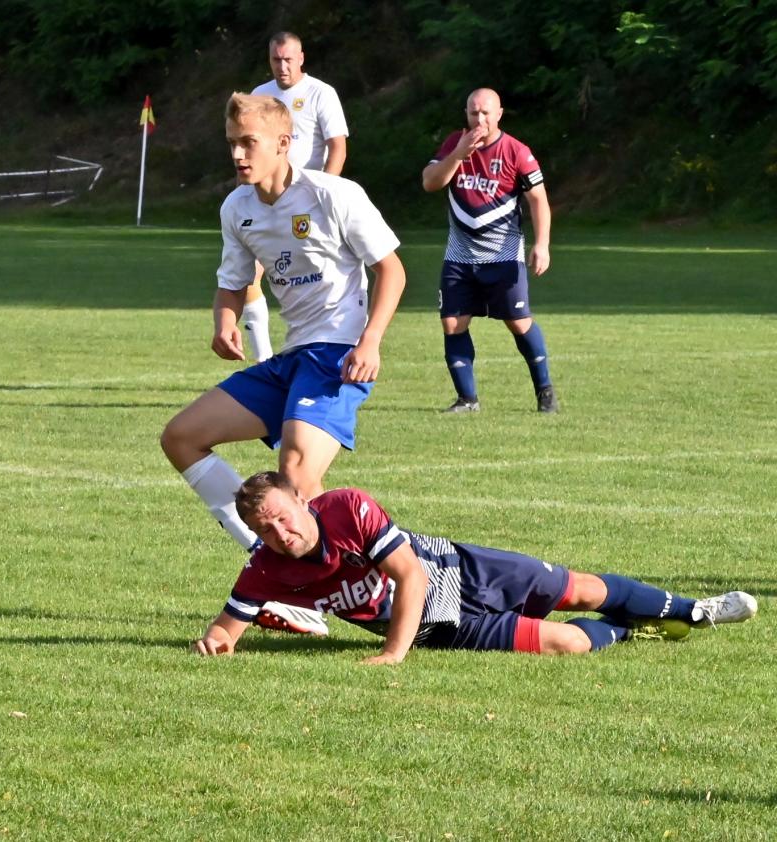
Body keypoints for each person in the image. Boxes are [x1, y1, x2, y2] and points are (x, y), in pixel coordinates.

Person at [161, 93, 405, 636]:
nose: (238, 155)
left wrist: (371, 342)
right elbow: (233, 282)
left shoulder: (333, 194)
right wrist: (224, 321)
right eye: (232, 143)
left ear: (283, 143)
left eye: (249, 143)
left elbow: (391, 269)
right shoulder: (237, 207)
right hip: (292, 357)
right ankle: (269, 560)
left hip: (337, 353)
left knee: (296, 472)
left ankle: (314, 594)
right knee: (181, 437)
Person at [192, 471, 759, 662]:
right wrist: (216, 643)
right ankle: (633, 631)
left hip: (460, 571)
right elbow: (227, 627)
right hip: (442, 627)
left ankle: (696, 610)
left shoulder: (346, 507)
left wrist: (392, 653)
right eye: (266, 528)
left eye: (284, 517)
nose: (281, 533)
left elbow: (411, 576)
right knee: (568, 643)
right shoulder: (266, 568)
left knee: (581, 590)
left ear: (301, 500)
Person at [422, 87, 557, 414]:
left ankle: (545, 392)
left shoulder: (516, 151)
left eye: (485, 113)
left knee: (518, 322)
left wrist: (542, 244)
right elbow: (430, 182)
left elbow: (538, 200)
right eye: (473, 113)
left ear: (499, 114)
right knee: (452, 323)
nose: (479, 119)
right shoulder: (455, 143)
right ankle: (467, 399)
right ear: (466, 114)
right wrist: (458, 155)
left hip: (503, 255)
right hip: (460, 256)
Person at [241, 31, 351, 363]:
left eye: (288, 59)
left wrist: (325, 191)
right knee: (248, 274)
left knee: (316, 276)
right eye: (276, 60)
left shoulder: (320, 93)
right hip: (266, 202)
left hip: (307, 202)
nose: (283, 66)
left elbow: (337, 146)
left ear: (301, 58)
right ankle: (264, 361)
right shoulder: (259, 96)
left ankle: (327, 350)